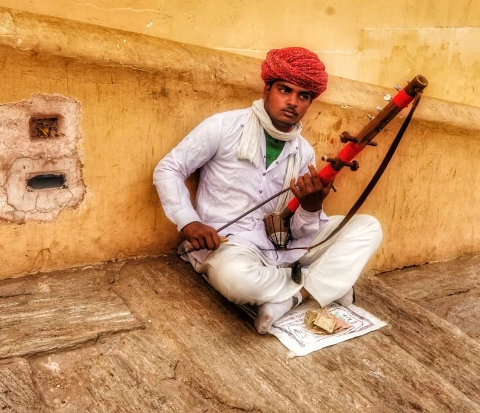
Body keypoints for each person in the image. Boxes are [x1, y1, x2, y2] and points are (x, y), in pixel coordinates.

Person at [153, 47, 382, 334]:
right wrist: (188, 221)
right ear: (267, 90)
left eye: (303, 96)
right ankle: (325, 283)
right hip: (232, 247)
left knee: (367, 228)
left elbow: (301, 232)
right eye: (284, 90)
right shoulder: (223, 127)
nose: (292, 102)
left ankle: (293, 299)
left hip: (283, 245)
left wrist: (310, 208)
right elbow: (169, 169)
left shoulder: (304, 153)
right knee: (237, 281)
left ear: (309, 103)